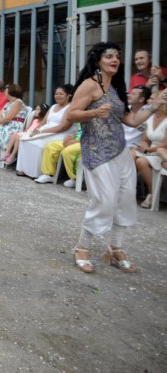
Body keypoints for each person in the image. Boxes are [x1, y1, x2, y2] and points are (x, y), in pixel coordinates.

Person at [66, 42, 166, 274]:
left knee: (126, 199)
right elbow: (72, 114)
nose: (115, 60)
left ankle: (116, 247)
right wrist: (93, 112)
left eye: (117, 57)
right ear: (98, 61)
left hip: (120, 150)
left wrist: (155, 106)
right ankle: (82, 248)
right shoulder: (89, 85)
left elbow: (131, 121)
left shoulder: (117, 87)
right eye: (109, 56)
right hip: (97, 151)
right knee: (104, 201)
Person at [15, 85, 75, 179]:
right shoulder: (53, 107)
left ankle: (37, 173)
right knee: (24, 139)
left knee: (38, 144)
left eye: (61, 94)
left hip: (60, 134)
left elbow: (63, 127)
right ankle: (24, 169)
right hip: (45, 131)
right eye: (56, 94)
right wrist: (35, 130)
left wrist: (42, 131)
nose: (58, 96)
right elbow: (43, 122)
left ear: (68, 95)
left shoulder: (70, 108)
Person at [133, 100, 167, 209]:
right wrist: (142, 146)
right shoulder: (150, 118)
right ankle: (128, 189)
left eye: (153, 99)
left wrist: (148, 149)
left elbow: (165, 144)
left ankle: (152, 193)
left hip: (161, 151)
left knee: (141, 161)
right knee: (131, 153)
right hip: (150, 150)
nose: (149, 101)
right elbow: (146, 140)